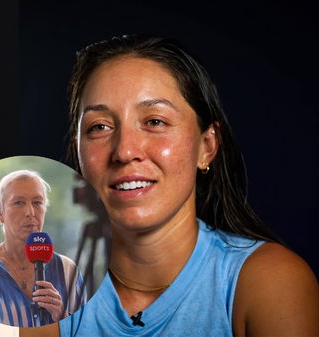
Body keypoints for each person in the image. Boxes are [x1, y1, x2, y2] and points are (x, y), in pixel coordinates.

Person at [25, 35, 319, 336]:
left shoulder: (269, 282)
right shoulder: (39, 285)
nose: (125, 151)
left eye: (155, 122)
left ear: (206, 146)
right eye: (99, 127)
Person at [0, 170, 87, 327]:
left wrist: (63, 316)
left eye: (37, 203)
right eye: (18, 203)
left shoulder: (68, 270)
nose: (30, 212)